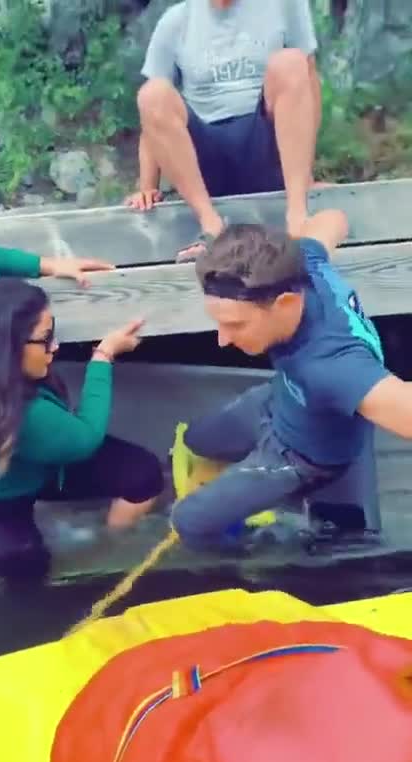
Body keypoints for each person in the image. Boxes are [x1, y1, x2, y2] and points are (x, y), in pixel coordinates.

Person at [170, 209, 411, 549]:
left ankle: (245, 562)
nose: (222, 340)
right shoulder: (305, 263)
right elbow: (334, 218)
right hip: (282, 397)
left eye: (236, 325)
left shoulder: (333, 366)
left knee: (188, 522)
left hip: (300, 456)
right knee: (194, 440)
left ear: (284, 304)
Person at [0, 241, 164, 585]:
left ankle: (111, 547)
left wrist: (49, 265)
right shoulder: (28, 415)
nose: (55, 346)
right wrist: (103, 357)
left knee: (142, 474)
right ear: (5, 349)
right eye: (45, 339)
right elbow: (86, 437)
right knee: (28, 573)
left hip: (30, 465)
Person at [126, 0, 320, 261]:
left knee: (292, 62)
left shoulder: (285, 5)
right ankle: (211, 225)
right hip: (206, 155)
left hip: (264, 143)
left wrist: (306, 174)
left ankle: (297, 217)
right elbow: (152, 114)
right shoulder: (175, 21)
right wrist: (147, 186)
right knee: (152, 92)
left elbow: (309, 83)